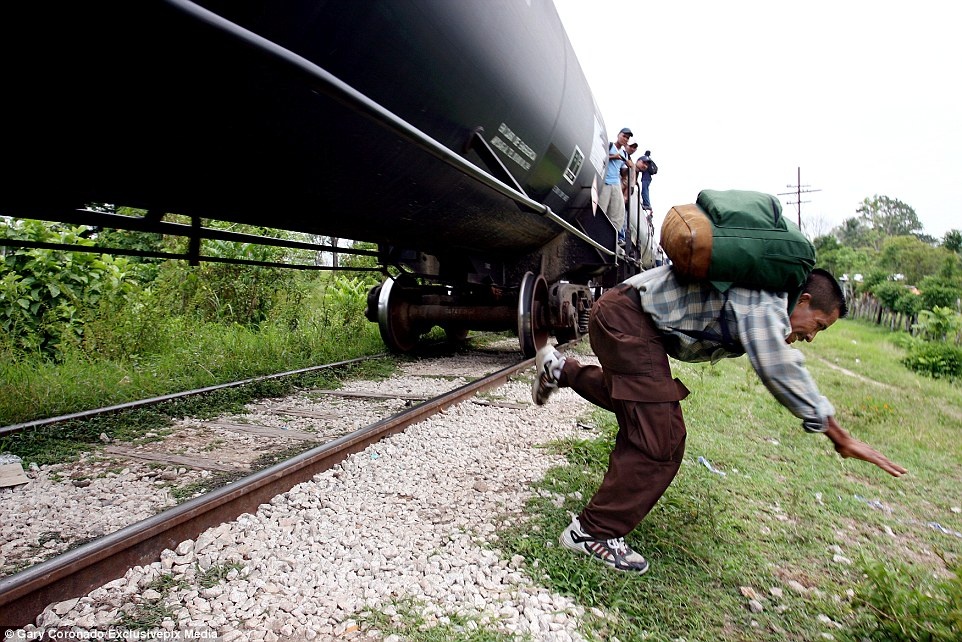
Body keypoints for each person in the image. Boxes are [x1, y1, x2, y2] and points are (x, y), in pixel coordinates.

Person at [531, 266, 907, 573]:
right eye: (819, 325)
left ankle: (559, 369)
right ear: (804, 301)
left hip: (621, 312)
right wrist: (838, 435)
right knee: (662, 438)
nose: (812, 336)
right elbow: (779, 369)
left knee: (636, 401)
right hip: (625, 318)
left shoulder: (764, 297)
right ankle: (591, 532)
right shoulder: (767, 303)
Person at [600, 128, 633, 243]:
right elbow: (601, 157)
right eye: (624, 136)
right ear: (618, 135)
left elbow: (623, 173)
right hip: (605, 181)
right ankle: (596, 233)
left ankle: (614, 237)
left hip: (615, 183)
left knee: (619, 211)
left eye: (627, 138)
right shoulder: (609, 146)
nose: (625, 139)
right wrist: (614, 157)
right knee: (602, 208)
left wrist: (629, 166)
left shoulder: (624, 154)